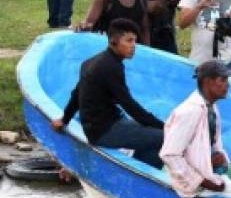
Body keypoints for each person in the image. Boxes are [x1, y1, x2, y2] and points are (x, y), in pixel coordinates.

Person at [53, 18, 164, 168]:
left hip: (104, 125)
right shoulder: (111, 67)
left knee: (152, 136)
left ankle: (137, 167)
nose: (133, 46)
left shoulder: (92, 61)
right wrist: (162, 126)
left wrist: (64, 119)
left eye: (134, 41)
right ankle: (139, 174)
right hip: (104, 131)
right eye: (129, 41)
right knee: (165, 138)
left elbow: (76, 94)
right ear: (113, 41)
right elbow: (129, 104)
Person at [160, 60, 231, 198]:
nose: (227, 85)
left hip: (209, 176)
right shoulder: (190, 111)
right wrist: (201, 181)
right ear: (208, 82)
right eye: (223, 80)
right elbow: (170, 154)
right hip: (195, 183)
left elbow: (214, 144)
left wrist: (221, 157)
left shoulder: (211, 107)